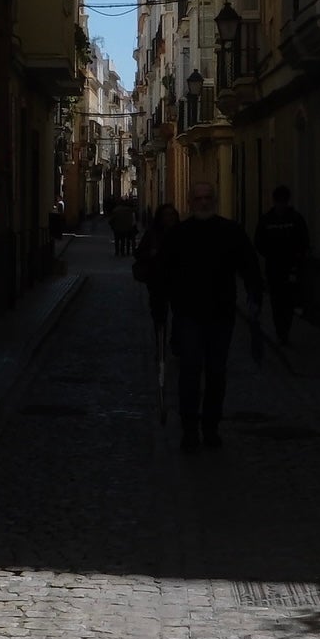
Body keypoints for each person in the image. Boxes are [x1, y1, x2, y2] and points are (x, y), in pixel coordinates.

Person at [152, 180, 262, 450]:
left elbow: (249, 265)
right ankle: (190, 428)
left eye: (208, 197)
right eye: (198, 198)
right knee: (190, 370)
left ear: (214, 200)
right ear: (190, 203)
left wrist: (254, 293)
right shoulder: (178, 235)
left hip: (221, 315)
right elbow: (161, 274)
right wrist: (159, 309)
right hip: (187, 315)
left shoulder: (230, 232)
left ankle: (211, 426)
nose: (203, 202)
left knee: (216, 372)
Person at [252, 185, 311, 350]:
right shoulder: (268, 220)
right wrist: (270, 254)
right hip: (274, 267)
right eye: (279, 201)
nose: (281, 204)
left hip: (290, 267)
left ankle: (284, 329)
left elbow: (304, 240)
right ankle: (281, 331)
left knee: (289, 300)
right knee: (277, 300)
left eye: (283, 201)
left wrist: (297, 257)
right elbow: (259, 242)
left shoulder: (294, 219)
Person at [133, 201, 180, 359]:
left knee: (180, 314)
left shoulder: (182, 233)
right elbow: (139, 254)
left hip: (178, 282)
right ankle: (160, 344)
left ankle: (175, 341)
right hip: (157, 281)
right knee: (159, 316)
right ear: (160, 218)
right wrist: (150, 254)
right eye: (166, 215)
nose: (170, 218)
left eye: (172, 215)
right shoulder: (152, 234)